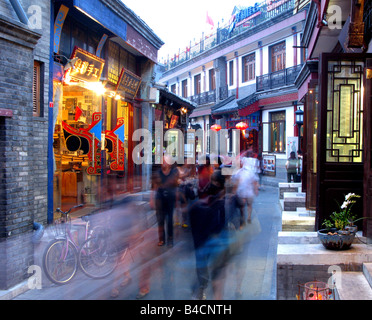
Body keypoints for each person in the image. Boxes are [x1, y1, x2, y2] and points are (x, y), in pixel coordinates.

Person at [189, 169, 228, 300]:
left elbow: (220, 223)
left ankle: (201, 289)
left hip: (205, 239)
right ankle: (202, 289)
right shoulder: (218, 201)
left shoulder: (217, 201)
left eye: (213, 181)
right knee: (209, 268)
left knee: (204, 266)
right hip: (207, 239)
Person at [154, 154, 179, 247]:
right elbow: (154, 187)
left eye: (165, 161)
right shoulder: (157, 173)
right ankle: (161, 239)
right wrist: (152, 200)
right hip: (160, 199)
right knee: (160, 220)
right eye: (162, 161)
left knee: (169, 220)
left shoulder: (173, 173)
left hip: (170, 199)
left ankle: (170, 239)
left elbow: (176, 187)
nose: (163, 163)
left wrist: (176, 199)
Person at [233, 156, 259, 227]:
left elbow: (236, 182)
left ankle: (245, 217)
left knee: (243, 205)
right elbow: (254, 182)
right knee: (248, 205)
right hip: (246, 191)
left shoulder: (239, 172)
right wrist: (256, 190)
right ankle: (248, 217)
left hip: (243, 191)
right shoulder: (243, 172)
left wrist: (256, 189)